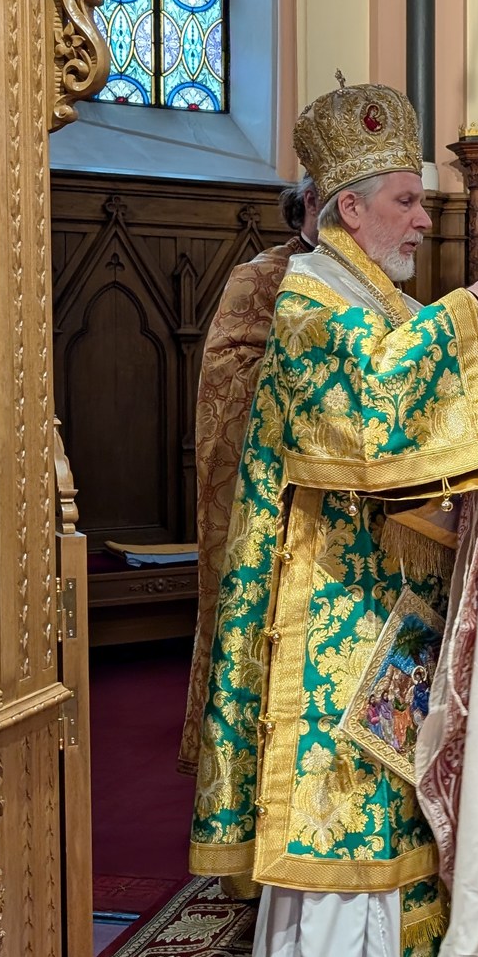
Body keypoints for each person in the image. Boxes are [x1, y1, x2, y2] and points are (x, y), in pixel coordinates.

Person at [190, 80, 478, 957]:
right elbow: (370, 415)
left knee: (385, 807)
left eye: (423, 203)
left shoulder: (382, 303)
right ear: (349, 207)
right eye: (407, 202)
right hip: (327, 602)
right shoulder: (309, 299)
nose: (424, 221)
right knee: (337, 815)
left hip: (386, 597)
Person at [176, 176, 319, 778]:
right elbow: (227, 385)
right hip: (274, 495)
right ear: (314, 202)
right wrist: (322, 374)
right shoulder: (260, 278)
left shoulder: (372, 281)